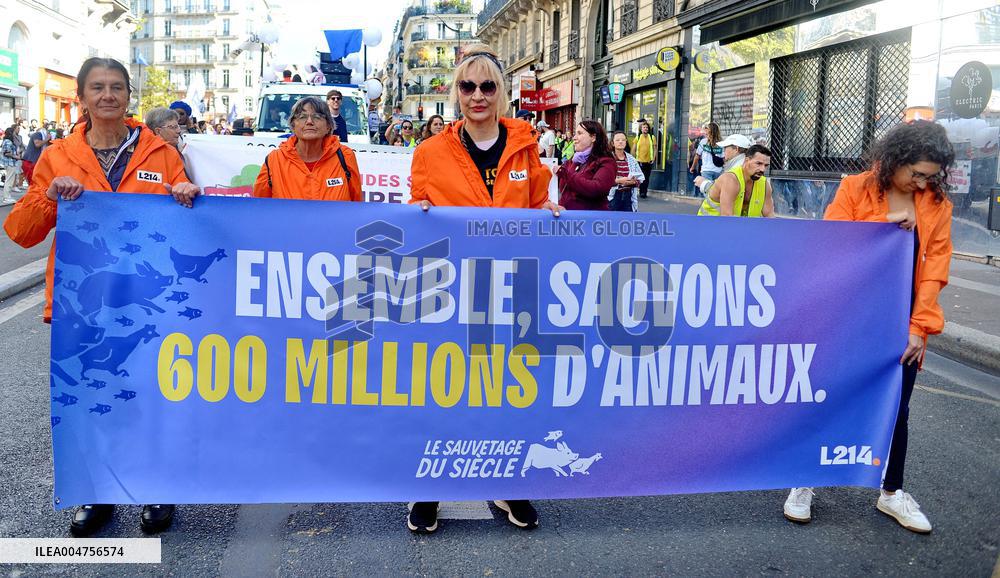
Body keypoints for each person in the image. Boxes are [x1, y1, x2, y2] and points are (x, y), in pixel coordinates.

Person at [3, 57, 199, 537]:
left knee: (153, 395)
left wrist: (187, 196)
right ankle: (96, 492)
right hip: (83, 303)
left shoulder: (160, 153)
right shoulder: (58, 155)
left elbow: (188, 228)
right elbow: (22, 232)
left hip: (147, 299)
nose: (108, 95)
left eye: (116, 87)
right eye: (98, 87)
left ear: (129, 96)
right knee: (90, 399)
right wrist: (49, 195)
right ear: (83, 97)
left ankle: (155, 487)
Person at [408, 44, 560, 534]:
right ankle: (430, 485)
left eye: (487, 86)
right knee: (446, 386)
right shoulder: (430, 152)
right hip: (452, 287)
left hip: (511, 285)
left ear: (501, 92)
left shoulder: (525, 145)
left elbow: (536, 203)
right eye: (468, 86)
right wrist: (419, 215)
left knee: (506, 387)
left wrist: (547, 211)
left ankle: (507, 482)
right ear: (457, 92)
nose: (477, 95)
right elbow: (415, 212)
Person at [783, 121, 955, 534]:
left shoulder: (937, 204)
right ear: (897, 159)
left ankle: (891, 492)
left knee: (897, 409)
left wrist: (920, 327)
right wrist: (883, 223)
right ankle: (805, 480)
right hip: (847, 317)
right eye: (917, 173)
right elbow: (830, 244)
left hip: (902, 322)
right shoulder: (855, 188)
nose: (922, 183)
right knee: (828, 398)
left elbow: (935, 268)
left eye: (931, 176)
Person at [253, 96, 362, 202]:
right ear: (293, 126)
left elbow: (356, 206)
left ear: (328, 126)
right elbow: (261, 207)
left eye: (317, 117)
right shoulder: (274, 160)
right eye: (302, 117)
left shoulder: (345, 156)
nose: (309, 121)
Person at [697, 143, 774, 217]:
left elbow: (769, 216)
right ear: (746, 160)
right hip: (708, 223)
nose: (763, 169)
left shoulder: (764, 185)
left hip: (738, 224)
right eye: (758, 163)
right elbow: (727, 217)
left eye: (766, 165)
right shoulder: (731, 180)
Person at [556, 120, 616, 211]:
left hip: (591, 217)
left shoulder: (606, 161)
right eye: (575, 134)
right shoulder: (574, 160)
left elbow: (597, 189)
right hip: (568, 215)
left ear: (593, 138)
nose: (574, 138)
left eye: (579, 133)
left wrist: (564, 174)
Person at [608, 130, 644, 212]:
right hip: (612, 197)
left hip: (628, 196)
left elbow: (640, 178)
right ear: (613, 143)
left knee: (628, 218)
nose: (620, 142)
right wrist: (619, 181)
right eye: (617, 140)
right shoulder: (608, 159)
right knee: (612, 218)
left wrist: (633, 182)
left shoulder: (631, 159)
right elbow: (603, 181)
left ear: (626, 142)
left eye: (623, 140)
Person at [633, 120, 655, 198]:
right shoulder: (638, 137)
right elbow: (633, 149)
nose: (645, 128)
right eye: (644, 127)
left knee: (646, 178)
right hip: (640, 161)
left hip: (649, 161)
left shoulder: (652, 137)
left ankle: (644, 192)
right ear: (641, 129)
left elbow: (655, 148)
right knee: (641, 177)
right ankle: (641, 191)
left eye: (646, 127)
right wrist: (633, 159)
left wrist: (654, 158)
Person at [2, 126, 21, 202]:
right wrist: (16, 156)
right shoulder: (8, 142)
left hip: (10, 162)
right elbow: (7, 153)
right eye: (13, 132)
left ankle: (7, 196)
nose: (14, 134)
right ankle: (6, 197)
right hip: (10, 163)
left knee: (9, 179)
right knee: (9, 180)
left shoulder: (7, 141)